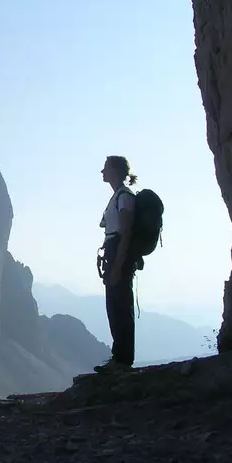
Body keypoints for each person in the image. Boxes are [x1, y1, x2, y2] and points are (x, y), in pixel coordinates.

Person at [95, 155, 139, 373]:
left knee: (120, 305)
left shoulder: (125, 197)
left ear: (115, 171)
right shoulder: (118, 196)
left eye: (105, 168)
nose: (102, 172)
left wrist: (119, 264)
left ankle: (123, 359)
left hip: (119, 252)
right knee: (114, 305)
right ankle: (118, 357)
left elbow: (126, 232)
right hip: (113, 252)